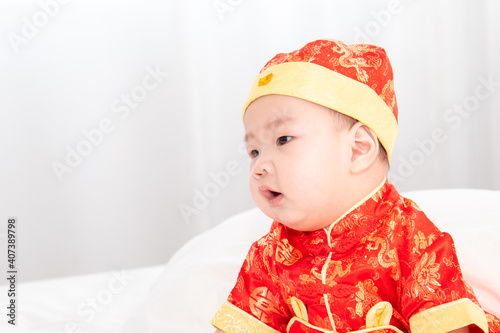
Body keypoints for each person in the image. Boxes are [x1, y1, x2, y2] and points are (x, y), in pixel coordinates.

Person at [210, 39, 500, 333]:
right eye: (254, 152)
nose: (259, 166)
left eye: (283, 140)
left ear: (358, 149)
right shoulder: (271, 254)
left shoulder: (410, 237)